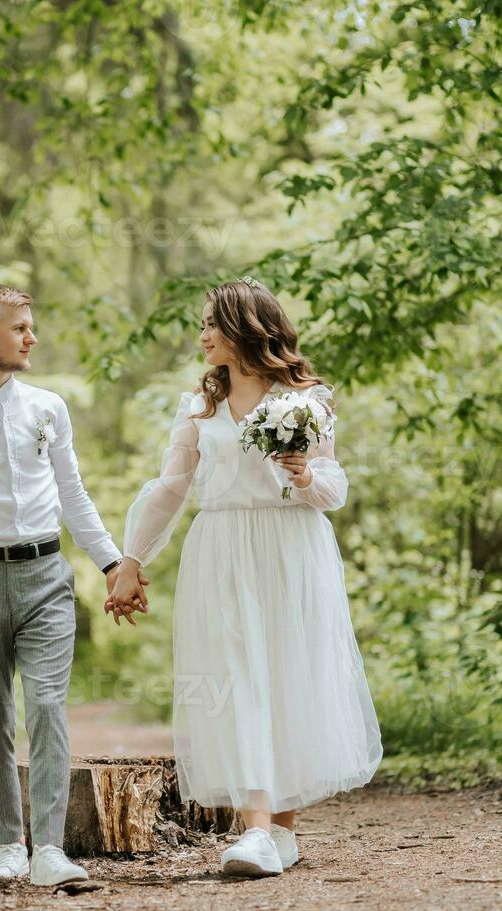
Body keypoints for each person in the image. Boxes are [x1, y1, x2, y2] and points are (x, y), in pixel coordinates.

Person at [106, 277, 382, 878]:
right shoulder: (199, 409)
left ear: (245, 328)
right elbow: (169, 490)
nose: (202, 335)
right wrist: (131, 560)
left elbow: (334, 486)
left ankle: (276, 831)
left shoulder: (304, 399)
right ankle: (258, 829)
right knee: (237, 675)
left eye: (211, 323)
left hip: (290, 547)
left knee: (286, 677)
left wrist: (304, 475)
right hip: (223, 549)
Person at [0, 282, 133, 886]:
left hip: (46, 576)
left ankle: (51, 850)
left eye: (31, 326)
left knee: (46, 706)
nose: (32, 337)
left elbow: (74, 496)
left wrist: (112, 564)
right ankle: (7, 843)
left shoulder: (48, 408)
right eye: (20, 328)